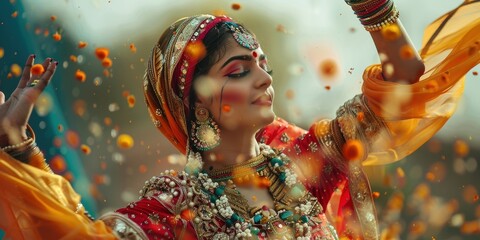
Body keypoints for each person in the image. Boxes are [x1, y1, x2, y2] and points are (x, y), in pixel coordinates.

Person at [1, 0, 479, 239]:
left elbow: (405, 87)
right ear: (197, 98)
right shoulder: (174, 208)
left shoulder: (300, 168)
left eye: (263, 65)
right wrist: (16, 143)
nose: (263, 79)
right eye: (239, 70)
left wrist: (376, 11)